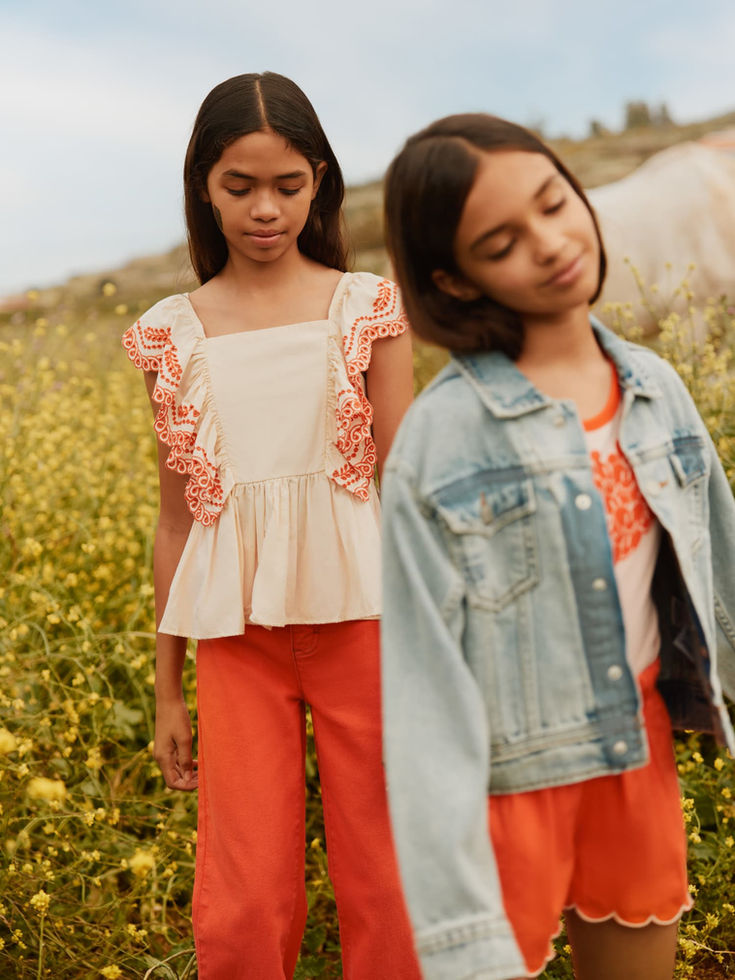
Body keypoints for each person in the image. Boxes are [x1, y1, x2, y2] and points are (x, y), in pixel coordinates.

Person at [379, 113, 735, 980]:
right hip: (505, 783)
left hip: (637, 751)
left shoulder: (654, 387)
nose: (548, 243)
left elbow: (723, 574)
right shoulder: (439, 439)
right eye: (501, 242)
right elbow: (422, 681)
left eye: (552, 203)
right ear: (453, 282)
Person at [122, 72, 420, 980]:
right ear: (201, 188)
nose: (264, 210)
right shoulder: (170, 334)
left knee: (390, 877)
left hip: (368, 625)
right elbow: (178, 521)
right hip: (234, 640)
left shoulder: (365, 308)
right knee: (243, 898)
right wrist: (167, 689)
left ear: (320, 181)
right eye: (238, 187)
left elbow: (406, 494)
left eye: (288, 186)